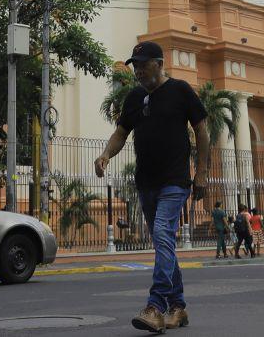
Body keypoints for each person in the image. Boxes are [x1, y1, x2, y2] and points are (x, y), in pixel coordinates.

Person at [95, 41, 209, 333]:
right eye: (135, 65)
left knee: (161, 234)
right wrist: (106, 154)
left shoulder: (181, 90)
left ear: (159, 63)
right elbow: (121, 133)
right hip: (146, 182)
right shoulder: (134, 97)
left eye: (144, 64)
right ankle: (178, 307)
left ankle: (156, 306)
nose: (139, 70)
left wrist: (202, 174)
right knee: (163, 243)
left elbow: (202, 131)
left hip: (175, 180)